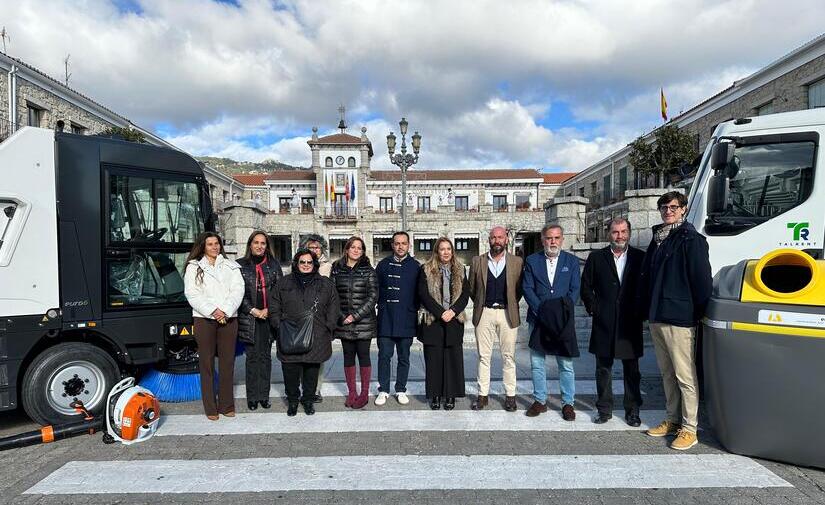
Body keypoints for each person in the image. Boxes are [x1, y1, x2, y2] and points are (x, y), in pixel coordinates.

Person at [639, 191, 712, 450]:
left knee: (685, 375)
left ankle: (690, 428)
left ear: (683, 209)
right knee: (667, 374)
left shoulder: (691, 240)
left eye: (672, 207)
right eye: (663, 207)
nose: (667, 211)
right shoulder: (658, 239)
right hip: (658, 315)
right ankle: (671, 420)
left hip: (680, 318)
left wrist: (698, 312)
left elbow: (702, 281)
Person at [580, 218, 644, 426]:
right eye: (615, 232)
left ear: (629, 232)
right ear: (609, 234)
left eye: (623, 231)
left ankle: (632, 411)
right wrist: (594, 308)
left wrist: (640, 311)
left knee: (632, 371)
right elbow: (586, 287)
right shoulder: (596, 258)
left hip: (630, 323)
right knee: (603, 369)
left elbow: (647, 287)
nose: (620, 236)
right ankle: (604, 410)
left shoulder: (640, 257)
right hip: (604, 322)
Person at [269, 249, 339, 416]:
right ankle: (293, 401)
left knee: (311, 372)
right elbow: (274, 306)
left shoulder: (325, 284)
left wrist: (327, 327)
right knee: (290, 372)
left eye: (309, 262)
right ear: (296, 264)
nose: (306, 265)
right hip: (289, 334)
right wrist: (278, 325)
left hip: (316, 335)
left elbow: (334, 307)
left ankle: (308, 400)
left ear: (314, 264)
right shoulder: (284, 283)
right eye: (302, 262)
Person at [183, 232, 244, 421]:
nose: (214, 247)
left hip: (228, 318)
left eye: (217, 243)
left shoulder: (231, 266)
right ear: (203, 246)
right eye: (210, 244)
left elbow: (238, 290)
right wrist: (213, 311)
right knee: (207, 363)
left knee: (227, 363)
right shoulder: (194, 267)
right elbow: (192, 293)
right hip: (204, 319)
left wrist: (225, 310)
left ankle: (227, 405)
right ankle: (210, 407)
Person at [522, 224, 581, 420]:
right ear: (542, 240)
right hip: (538, 320)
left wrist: (559, 314)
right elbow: (528, 289)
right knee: (537, 363)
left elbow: (574, 291)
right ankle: (540, 401)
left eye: (556, 238)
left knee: (565, 364)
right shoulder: (531, 261)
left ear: (562, 239)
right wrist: (544, 312)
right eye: (549, 238)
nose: (553, 241)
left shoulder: (571, 262)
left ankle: (568, 404)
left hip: (563, 322)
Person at [468, 226, 523, 412]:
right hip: (485, 312)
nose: (497, 240)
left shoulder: (516, 262)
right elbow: (472, 289)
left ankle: (510, 396)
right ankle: (482, 396)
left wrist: (511, 304)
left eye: (500, 237)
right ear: (488, 240)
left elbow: (519, 289)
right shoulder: (477, 261)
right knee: (484, 357)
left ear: (506, 239)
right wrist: (482, 305)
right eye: (493, 237)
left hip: (508, 313)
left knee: (509, 357)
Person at [417, 237, 470, 410]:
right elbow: (423, 294)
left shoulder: (461, 270)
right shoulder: (425, 270)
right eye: (442, 249)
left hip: (454, 320)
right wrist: (441, 313)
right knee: (434, 360)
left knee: (452, 359)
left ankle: (450, 396)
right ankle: (435, 395)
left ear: (452, 251)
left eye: (449, 249)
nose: (446, 252)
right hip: (433, 320)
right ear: (436, 251)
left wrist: (453, 311)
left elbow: (465, 294)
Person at [237, 231, 282, 411]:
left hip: (268, 317)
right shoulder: (240, 266)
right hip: (249, 317)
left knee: (265, 358)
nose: (259, 246)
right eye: (256, 242)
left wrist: (268, 310)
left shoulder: (273, 265)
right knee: (252, 358)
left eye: (263, 243)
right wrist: (254, 310)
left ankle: (264, 396)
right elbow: (238, 294)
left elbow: (279, 292)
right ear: (250, 245)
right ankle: (252, 397)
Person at [330, 236, 378, 409]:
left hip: (363, 321)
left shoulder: (368, 270)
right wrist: (342, 316)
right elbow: (332, 294)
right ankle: (352, 392)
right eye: (353, 247)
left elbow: (373, 296)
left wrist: (355, 316)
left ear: (363, 251)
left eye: (360, 248)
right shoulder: (337, 268)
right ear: (347, 249)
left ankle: (364, 393)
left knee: (364, 356)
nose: (356, 250)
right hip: (343, 321)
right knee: (348, 356)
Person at [374, 231, 421, 406]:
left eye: (404, 243)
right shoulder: (383, 265)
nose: (400, 246)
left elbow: (420, 292)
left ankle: (400, 389)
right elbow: (375, 289)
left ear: (409, 245)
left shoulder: (416, 266)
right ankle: (384, 390)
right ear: (392, 245)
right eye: (397, 243)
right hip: (386, 317)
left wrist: (414, 308)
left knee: (404, 357)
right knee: (384, 356)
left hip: (407, 318)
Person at [301, 234, 332, 403]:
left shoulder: (328, 267)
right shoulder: (299, 264)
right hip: (302, 317)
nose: (314, 250)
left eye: (317, 247)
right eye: (311, 247)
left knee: (318, 357)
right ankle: (304, 388)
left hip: (321, 317)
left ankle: (316, 389)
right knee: (301, 354)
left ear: (322, 249)